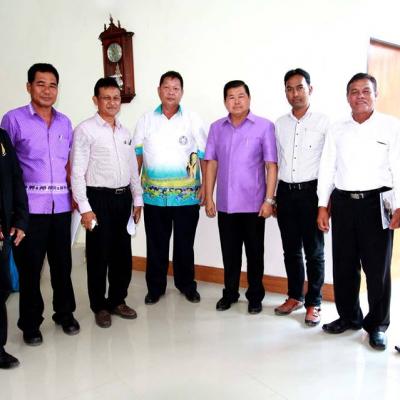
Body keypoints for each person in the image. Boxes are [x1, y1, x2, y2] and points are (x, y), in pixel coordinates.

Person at [317, 73, 400, 350]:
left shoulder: (391, 126)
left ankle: (377, 324)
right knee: (344, 264)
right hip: (343, 202)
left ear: (375, 95)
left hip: (380, 201)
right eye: (354, 91)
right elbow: (327, 167)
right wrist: (322, 205)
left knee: (377, 269)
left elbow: (398, 166)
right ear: (347, 97)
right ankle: (349, 316)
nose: (360, 96)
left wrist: (399, 205)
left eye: (366, 91)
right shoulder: (337, 129)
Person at [1, 63, 79, 346]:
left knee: (62, 266)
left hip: (61, 207)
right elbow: (5, 168)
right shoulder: (12, 120)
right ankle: (30, 324)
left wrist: (75, 196)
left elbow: (68, 163)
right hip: (29, 211)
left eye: (52, 85)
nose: (47, 90)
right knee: (30, 270)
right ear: (29, 87)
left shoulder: (65, 123)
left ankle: (65, 314)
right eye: (40, 84)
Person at [71, 77, 143, 328]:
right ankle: (99, 306)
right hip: (98, 199)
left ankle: (117, 300)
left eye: (116, 98)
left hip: (123, 199)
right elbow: (77, 173)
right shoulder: (85, 130)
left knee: (122, 254)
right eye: (106, 98)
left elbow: (132, 168)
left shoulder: (124, 132)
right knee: (98, 254)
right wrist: (85, 208)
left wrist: (137, 198)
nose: (112, 103)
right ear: (96, 100)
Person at [133, 71, 207, 305]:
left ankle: (187, 285)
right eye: (166, 87)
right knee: (156, 245)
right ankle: (155, 288)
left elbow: (204, 155)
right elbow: (137, 156)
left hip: (187, 197)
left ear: (182, 92)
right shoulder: (146, 120)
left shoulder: (193, 119)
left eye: (176, 88)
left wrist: (206, 186)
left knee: (185, 245)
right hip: (153, 197)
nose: (171, 92)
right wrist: (135, 192)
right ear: (159, 91)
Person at [204, 80, 277, 314]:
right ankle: (230, 293)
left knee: (255, 254)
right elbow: (211, 163)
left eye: (241, 96)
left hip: (254, 204)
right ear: (225, 101)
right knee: (230, 254)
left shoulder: (264, 126)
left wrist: (269, 200)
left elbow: (271, 165)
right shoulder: (216, 128)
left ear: (249, 98)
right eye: (231, 97)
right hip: (226, 204)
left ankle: (255, 296)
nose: (236, 101)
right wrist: (209, 197)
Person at [274, 69, 329, 326]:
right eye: (289, 88)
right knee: (291, 250)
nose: (294, 93)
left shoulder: (324, 123)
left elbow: (328, 165)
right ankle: (295, 296)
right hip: (285, 193)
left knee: (314, 252)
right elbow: (276, 162)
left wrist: (324, 203)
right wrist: (274, 197)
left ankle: (314, 303)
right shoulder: (280, 124)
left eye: (299, 87)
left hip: (311, 193)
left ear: (310, 89)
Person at [0, 129, 28, 369]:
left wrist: (20, 219)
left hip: (3, 231)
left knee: (1, 287)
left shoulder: (1, 137)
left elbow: (15, 177)